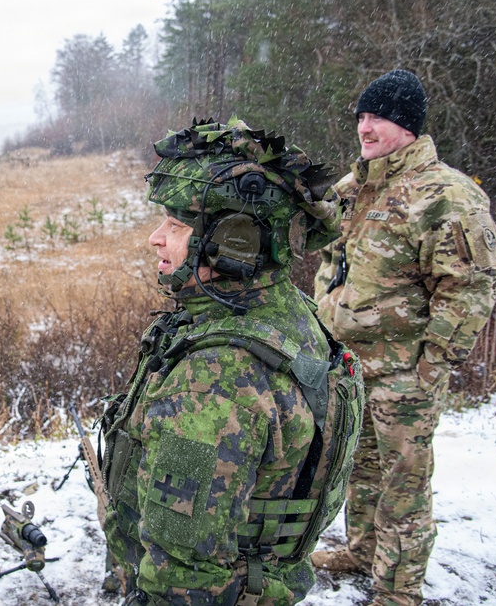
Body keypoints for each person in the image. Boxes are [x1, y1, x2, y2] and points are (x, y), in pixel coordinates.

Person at [100, 117, 365, 606]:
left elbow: (184, 581)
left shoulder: (216, 380)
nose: (156, 237)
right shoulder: (288, 313)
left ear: (233, 243)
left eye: (176, 225)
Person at [312, 69, 496, 606]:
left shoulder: (446, 194)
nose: (365, 127)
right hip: (351, 364)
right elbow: (327, 255)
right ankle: (362, 551)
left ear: (408, 126)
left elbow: (470, 285)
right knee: (360, 466)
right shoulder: (353, 188)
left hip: (406, 371)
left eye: (378, 117)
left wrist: (433, 361)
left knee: (404, 483)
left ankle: (398, 590)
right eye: (361, 116)